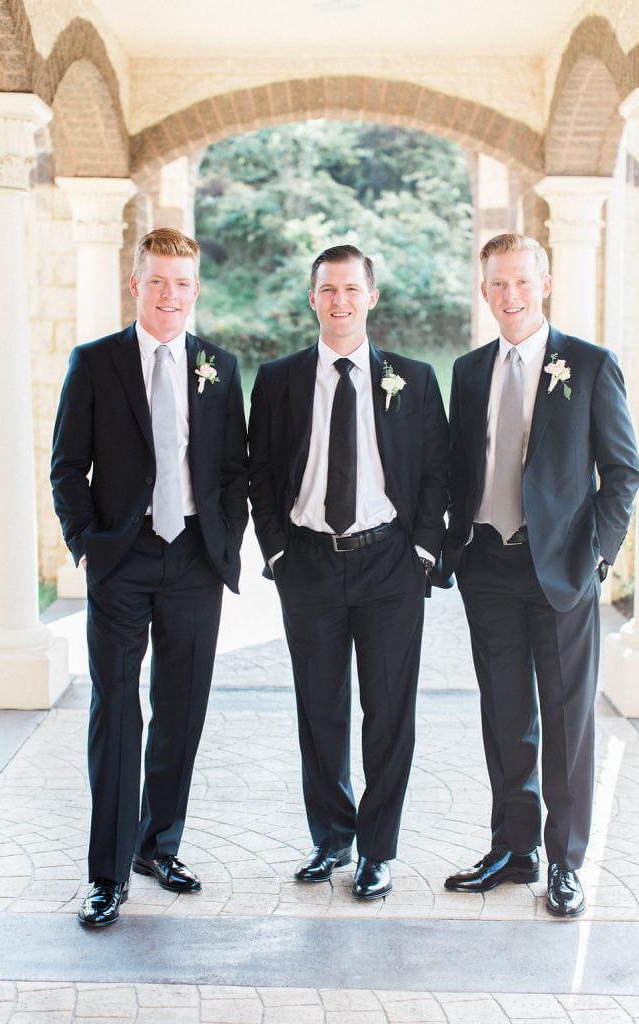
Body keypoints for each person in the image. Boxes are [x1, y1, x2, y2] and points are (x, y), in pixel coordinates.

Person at [51, 228, 248, 927]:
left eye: (183, 283)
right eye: (158, 281)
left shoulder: (218, 368)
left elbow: (232, 470)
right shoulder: (96, 362)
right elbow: (67, 466)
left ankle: (157, 847)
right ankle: (106, 871)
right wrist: (86, 547)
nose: (171, 295)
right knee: (117, 710)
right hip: (122, 559)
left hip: (194, 557)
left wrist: (225, 540)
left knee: (181, 708)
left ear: (197, 290)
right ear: (136, 284)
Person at [441, 233, 639, 917]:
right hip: (486, 565)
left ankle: (564, 861)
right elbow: (459, 468)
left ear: (544, 283)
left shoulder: (588, 365)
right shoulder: (468, 372)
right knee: (504, 715)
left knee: (565, 720)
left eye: (521, 281)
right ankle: (512, 848)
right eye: (497, 283)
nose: (510, 295)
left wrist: (593, 559)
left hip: (560, 570)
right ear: (484, 289)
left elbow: (621, 473)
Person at [248, 244, 449, 899]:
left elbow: (435, 471)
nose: (340, 302)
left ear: (371, 297)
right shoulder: (277, 379)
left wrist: (421, 552)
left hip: (389, 564)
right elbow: (262, 474)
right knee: (320, 710)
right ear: (313, 298)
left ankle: (376, 850)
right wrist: (276, 550)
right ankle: (330, 840)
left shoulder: (412, 379)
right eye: (328, 290)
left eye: (351, 290)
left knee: (388, 711)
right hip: (307, 563)